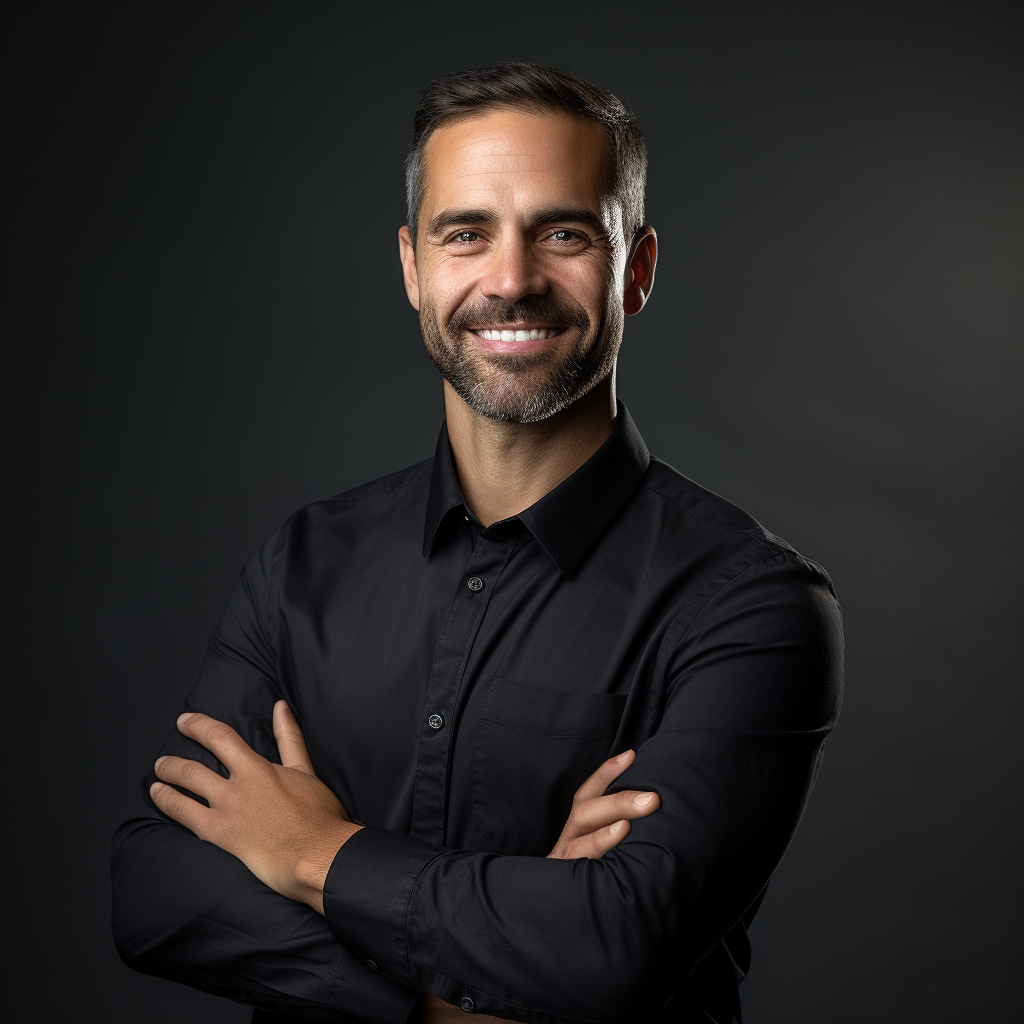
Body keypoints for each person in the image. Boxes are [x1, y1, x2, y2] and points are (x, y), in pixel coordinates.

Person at [111, 62, 843, 1024]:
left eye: (565, 233)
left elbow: (613, 944)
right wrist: (451, 1000)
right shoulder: (304, 566)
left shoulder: (754, 604)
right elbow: (154, 891)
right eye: (467, 234)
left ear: (637, 270)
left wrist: (307, 852)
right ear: (414, 267)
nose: (511, 280)